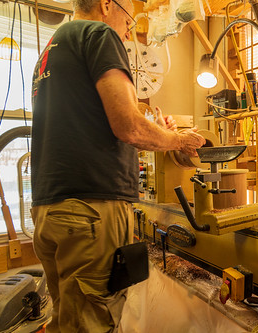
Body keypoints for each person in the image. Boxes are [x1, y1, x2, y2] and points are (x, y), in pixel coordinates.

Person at [30, 0, 206, 331]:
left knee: (68, 319)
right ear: (106, 4)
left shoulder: (51, 49)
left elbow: (90, 123)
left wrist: (158, 130)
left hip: (52, 210)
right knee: (93, 322)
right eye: (129, 18)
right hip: (90, 211)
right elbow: (128, 127)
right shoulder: (98, 33)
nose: (130, 28)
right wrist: (178, 140)